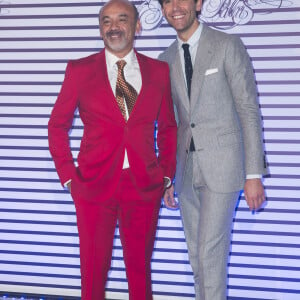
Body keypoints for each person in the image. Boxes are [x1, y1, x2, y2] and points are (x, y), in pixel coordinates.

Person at [48, 0, 177, 299]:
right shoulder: (79, 70)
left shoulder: (159, 71)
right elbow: (57, 126)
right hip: (92, 186)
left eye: (122, 19)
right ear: (100, 28)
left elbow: (169, 128)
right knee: (92, 273)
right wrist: (69, 176)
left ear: (137, 25)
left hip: (144, 186)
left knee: (140, 272)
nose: (114, 26)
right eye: (106, 21)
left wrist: (166, 176)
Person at [158, 0, 268, 299]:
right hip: (185, 170)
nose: (174, 7)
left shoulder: (226, 44)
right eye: (166, 1)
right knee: (196, 253)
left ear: (198, 3)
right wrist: (168, 177)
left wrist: (254, 172)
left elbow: (247, 109)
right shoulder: (164, 58)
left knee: (210, 249)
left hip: (224, 165)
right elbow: (172, 123)